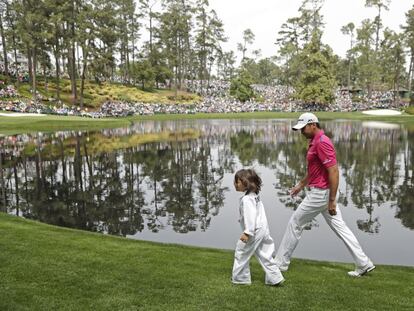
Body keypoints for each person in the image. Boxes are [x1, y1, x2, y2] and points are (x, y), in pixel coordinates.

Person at [274, 113, 375, 277]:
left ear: (313, 124)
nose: (301, 132)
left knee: (295, 223)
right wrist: (301, 185)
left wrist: (332, 200)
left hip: (321, 194)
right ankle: (364, 263)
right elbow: (316, 170)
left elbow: (333, 172)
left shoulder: (322, 143)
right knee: (341, 228)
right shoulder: (314, 141)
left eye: (304, 128)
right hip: (322, 193)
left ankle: (280, 264)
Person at [231, 169, 285, 285]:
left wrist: (247, 232)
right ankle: (275, 278)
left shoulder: (247, 199)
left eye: (237, 181)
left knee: (242, 251)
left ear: (245, 182)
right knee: (265, 254)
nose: (235, 184)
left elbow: (250, 216)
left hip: (254, 231)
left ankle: (241, 279)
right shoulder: (254, 196)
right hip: (263, 229)